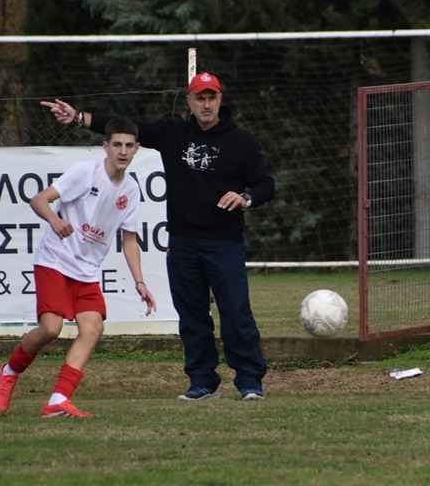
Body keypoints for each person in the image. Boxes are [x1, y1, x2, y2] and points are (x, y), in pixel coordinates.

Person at [40, 72, 275, 402]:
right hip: (183, 242)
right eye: (200, 98)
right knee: (192, 315)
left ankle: (249, 380)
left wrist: (246, 197)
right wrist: (79, 117)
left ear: (220, 99)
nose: (206, 104)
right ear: (190, 101)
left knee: (236, 313)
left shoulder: (242, 143)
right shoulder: (173, 133)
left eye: (211, 97)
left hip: (224, 243)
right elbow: (126, 127)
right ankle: (202, 381)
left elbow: (266, 184)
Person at [0, 117, 156, 418]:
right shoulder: (85, 172)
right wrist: (55, 220)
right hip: (55, 260)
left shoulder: (131, 189)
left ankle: (58, 399)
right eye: (117, 144)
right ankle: (8, 372)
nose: (122, 151)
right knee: (50, 329)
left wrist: (140, 282)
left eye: (129, 146)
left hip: (87, 270)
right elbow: (39, 199)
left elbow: (130, 240)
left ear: (136, 149)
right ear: (105, 146)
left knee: (92, 328)